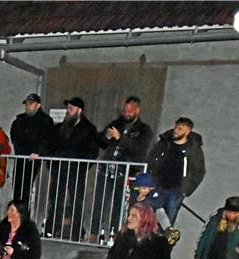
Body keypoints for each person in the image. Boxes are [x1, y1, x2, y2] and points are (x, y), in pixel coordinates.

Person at [90, 96, 153, 242]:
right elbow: (102, 142)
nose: (127, 113)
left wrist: (120, 138)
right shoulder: (116, 123)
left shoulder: (144, 130)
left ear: (137, 110)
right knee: (99, 203)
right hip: (107, 170)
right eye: (125, 110)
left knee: (119, 206)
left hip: (125, 173)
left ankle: (116, 234)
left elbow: (139, 149)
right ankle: (94, 233)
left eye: (130, 110)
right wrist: (106, 136)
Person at [50, 97, 98, 239]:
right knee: (56, 200)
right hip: (60, 170)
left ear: (79, 110)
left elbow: (92, 151)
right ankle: (52, 228)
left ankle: (77, 231)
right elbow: (51, 146)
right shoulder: (60, 128)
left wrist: (82, 166)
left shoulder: (88, 129)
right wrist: (52, 165)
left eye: (71, 108)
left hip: (77, 171)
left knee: (77, 201)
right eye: (67, 108)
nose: (68, 111)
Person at [146, 117, 205, 225]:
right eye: (176, 127)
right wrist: (151, 180)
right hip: (158, 187)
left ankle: (162, 241)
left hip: (176, 191)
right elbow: (151, 159)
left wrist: (186, 190)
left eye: (180, 129)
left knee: (167, 222)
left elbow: (199, 171)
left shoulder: (193, 149)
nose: (176, 131)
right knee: (150, 218)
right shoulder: (164, 143)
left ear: (188, 131)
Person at [9, 93, 53, 205]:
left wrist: (38, 152)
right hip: (21, 156)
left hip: (33, 158)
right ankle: (17, 211)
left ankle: (23, 213)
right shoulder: (20, 120)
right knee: (17, 186)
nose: (28, 106)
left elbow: (47, 138)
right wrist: (19, 149)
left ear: (38, 105)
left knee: (27, 187)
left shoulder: (45, 121)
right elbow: (14, 135)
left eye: (30, 103)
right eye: (27, 104)